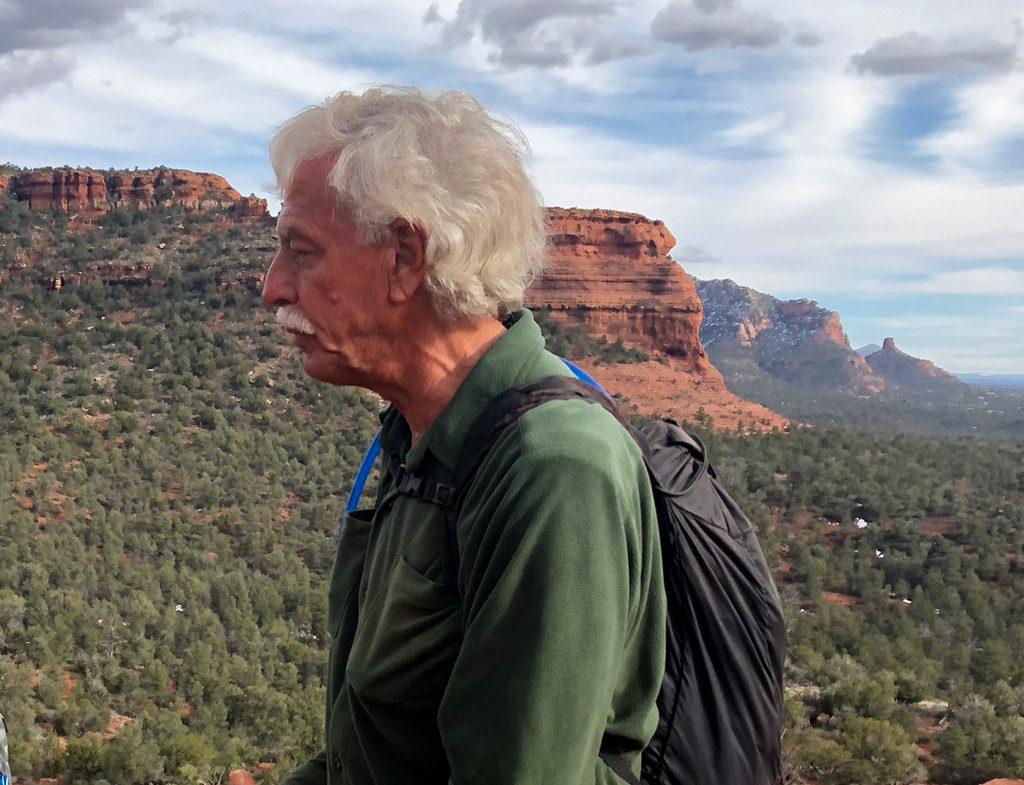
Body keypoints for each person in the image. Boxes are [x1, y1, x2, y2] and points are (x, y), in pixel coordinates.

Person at [261, 86, 665, 785]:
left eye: (301, 252)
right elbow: (381, 747)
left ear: (405, 258)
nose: (273, 287)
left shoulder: (553, 470)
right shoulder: (421, 438)